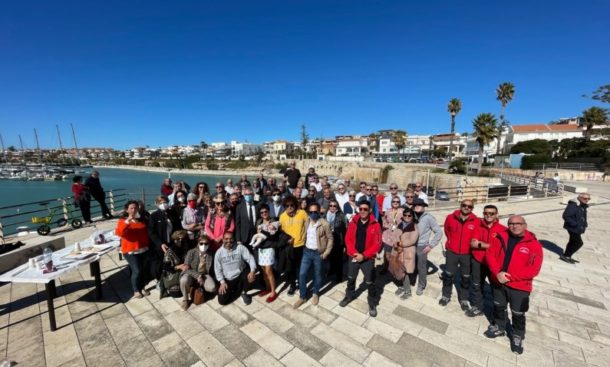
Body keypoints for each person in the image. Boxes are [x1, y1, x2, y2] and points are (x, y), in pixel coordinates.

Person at [484, 215, 543, 355]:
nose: (514, 226)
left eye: (518, 223)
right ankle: (499, 326)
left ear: (525, 225)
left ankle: (517, 335)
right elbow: (490, 254)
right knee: (499, 306)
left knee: (518, 313)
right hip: (499, 281)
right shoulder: (500, 237)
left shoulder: (534, 244)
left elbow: (534, 270)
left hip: (519, 286)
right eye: (510, 223)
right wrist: (498, 273)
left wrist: (509, 277)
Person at [339, 199, 382, 317]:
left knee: (370, 282)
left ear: (370, 210)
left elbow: (377, 244)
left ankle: (372, 303)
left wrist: (364, 255)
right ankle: (349, 296)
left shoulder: (376, 225)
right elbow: (348, 240)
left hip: (367, 258)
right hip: (354, 256)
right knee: (351, 278)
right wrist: (354, 254)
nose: (362, 211)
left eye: (365, 209)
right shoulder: (353, 222)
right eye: (360, 209)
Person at [467, 205, 506, 317]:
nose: (488, 215)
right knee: (476, 284)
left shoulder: (503, 230)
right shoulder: (478, 227)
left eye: (492, 213)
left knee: (496, 287)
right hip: (478, 261)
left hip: (494, 263)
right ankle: (478, 306)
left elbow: (503, 248)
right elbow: (473, 243)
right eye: (486, 213)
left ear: (497, 215)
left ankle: (497, 312)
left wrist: (482, 244)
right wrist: (492, 246)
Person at [439, 199, 478, 309]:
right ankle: (446, 295)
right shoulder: (450, 217)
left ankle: (464, 299)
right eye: (464, 205)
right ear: (460, 206)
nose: (466, 207)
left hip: (467, 253)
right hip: (452, 252)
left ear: (472, 208)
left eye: (469, 206)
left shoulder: (476, 221)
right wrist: (451, 242)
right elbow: (447, 230)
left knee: (465, 277)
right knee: (448, 275)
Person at [293, 202, 334, 309]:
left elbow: (330, 239)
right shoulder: (307, 221)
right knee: (302, 274)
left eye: (315, 212)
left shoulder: (324, 224)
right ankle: (302, 296)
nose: (313, 214)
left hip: (318, 253)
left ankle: (315, 293)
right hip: (307, 252)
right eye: (311, 212)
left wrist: (326, 253)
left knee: (317, 274)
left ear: (319, 211)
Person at [115, 200, 150, 299]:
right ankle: (136, 290)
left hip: (143, 248)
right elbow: (119, 233)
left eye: (135, 208)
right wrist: (128, 220)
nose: (134, 210)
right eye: (131, 208)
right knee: (137, 270)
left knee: (143, 270)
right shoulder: (123, 221)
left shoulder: (141, 219)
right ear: (127, 210)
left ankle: (142, 287)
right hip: (130, 251)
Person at [214, 232, 257, 305]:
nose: (229, 241)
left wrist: (252, 271)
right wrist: (222, 282)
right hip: (228, 279)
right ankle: (238, 292)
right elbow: (217, 269)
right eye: (226, 239)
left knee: (250, 276)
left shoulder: (240, 247)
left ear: (234, 239)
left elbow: (250, 258)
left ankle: (243, 292)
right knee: (222, 301)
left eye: (231, 239)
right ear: (223, 239)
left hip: (240, 274)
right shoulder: (219, 253)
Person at [279, 195, 308, 295]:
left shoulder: (302, 213)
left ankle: (301, 283)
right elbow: (281, 231)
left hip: (300, 245)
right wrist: (286, 239)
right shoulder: (282, 216)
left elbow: (309, 224)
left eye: (292, 205)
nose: (290, 207)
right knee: (290, 268)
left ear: (295, 205)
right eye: (287, 206)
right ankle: (292, 285)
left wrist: (306, 237)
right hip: (289, 247)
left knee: (300, 267)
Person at [413, 198, 442, 295]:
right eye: (415, 204)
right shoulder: (411, 215)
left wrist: (431, 245)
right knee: (411, 264)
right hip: (411, 245)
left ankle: (421, 285)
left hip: (422, 246)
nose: (417, 206)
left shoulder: (429, 218)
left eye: (420, 205)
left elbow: (438, 232)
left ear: (424, 207)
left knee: (421, 267)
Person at [148, 195, 180, 283]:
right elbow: (151, 232)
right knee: (159, 265)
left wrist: (178, 237)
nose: (163, 204)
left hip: (172, 243)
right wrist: (160, 244)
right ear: (156, 204)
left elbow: (178, 227)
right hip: (160, 245)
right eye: (160, 203)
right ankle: (160, 281)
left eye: (164, 202)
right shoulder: (154, 216)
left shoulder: (173, 213)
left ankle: (170, 280)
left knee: (171, 263)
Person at [180, 234, 217, 310]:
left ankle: (198, 287)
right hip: (192, 274)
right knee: (184, 280)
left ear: (209, 244)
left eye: (206, 243)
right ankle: (185, 300)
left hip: (204, 274)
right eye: (201, 243)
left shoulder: (211, 254)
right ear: (198, 243)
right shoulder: (191, 252)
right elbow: (185, 268)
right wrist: (197, 276)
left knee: (212, 288)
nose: (204, 245)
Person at [253, 204, 280, 303]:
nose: (264, 214)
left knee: (269, 270)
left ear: (269, 212)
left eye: (265, 211)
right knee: (263, 271)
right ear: (260, 214)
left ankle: (273, 291)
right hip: (261, 248)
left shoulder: (273, 221)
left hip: (269, 248)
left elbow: (274, 235)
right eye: (262, 212)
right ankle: (268, 288)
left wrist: (268, 230)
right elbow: (257, 235)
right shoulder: (258, 222)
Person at [393, 207, 419, 299]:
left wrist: (401, 244)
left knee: (405, 272)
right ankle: (401, 286)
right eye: (405, 215)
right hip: (398, 252)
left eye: (409, 215)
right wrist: (396, 244)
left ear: (412, 216)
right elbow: (395, 235)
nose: (407, 217)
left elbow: (413, 240)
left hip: (408, 252)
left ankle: (407, 291)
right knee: (398, 270)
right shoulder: (400, 224)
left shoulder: (414, 226)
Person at [560, 193, 590, 264]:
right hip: (572, 227)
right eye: (585, 198)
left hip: (578, 227)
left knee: (572, 241)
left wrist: (585, 223)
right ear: (579, 198)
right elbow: (566, 216)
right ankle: (566, 255)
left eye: (588, 199)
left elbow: (582, 216)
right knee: (578, 243)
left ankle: (566, 256)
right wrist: (575, 224)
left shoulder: (583, 205)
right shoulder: (573, 205)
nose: (587, 200)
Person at [382, 195, 404, 272]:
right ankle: (385, 267)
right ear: (391, 203)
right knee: (387, 253)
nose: (395, 203)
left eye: (397, 202)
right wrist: (389, 226)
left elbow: (406, 222)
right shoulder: (388, 211)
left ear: (400, 203)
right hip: (388, 235)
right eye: (394, 201)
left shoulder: (403, 211)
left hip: (398, 236)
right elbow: (384, 221)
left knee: (396, 253)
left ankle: (395, 269)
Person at [326, 199, 346, 282]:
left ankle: (339, 276)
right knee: (331, 257)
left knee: (338, 259)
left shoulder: (341, 215)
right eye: (330, 205)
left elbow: (346, 227)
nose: (332, 207)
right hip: (328, 239)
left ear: (337, 206)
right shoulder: (325, 214)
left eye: (334, 206)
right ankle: (331, 271)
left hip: (338, 240)